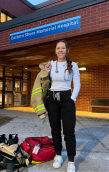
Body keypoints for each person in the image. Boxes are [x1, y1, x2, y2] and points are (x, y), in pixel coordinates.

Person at [45, 40, 81, 172]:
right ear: (55, 50)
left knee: (69, 131)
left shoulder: (74, 65)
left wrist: (72, 99)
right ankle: (58, 155)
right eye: (58, 48)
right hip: (52, 99)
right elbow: (45, 81)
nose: (60, 50)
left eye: (63, 48)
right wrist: (46, 70)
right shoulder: (51, 64)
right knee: (55, 129)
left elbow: (77, 84)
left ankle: (71, 161)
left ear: (67, 50)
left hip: (67, 99)